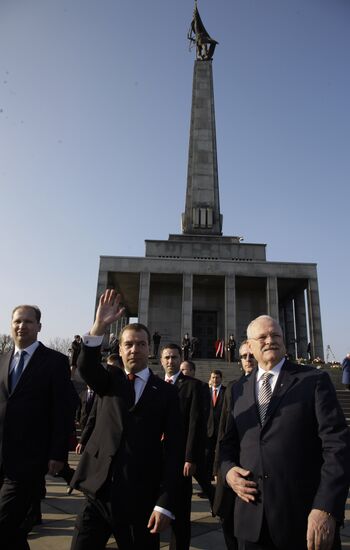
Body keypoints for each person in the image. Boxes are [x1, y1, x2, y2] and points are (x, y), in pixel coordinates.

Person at [220, 315, 350, 550]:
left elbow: (338, 447)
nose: (270, 340)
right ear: (249, 345)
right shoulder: (237, 389)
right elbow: (227, 445)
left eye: (276, 335)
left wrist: (326, 507)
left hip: (304, 520)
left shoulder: (314, 380)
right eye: (262, 337)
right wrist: (228, 472)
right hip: (251, 523)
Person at [70, 289, 183, 550]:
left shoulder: (166, 392)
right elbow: (86, 367)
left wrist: (164, 502)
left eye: (141, 344)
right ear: (119, 349)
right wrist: (99, 325)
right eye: (129, 344)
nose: (135, 350)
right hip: (98, 493)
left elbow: (175, 449)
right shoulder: (110, 380)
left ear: (149, 349)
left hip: (140, 498)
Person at [0, 304, 73, 549]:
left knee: (4, 521)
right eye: (17, 321)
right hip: (1, 454)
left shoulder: (55, 361)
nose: (22, 326)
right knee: (14, 531)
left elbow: (63, 411)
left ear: (39, 327)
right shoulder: (2, 359)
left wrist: (58, 453)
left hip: (29, 458)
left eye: (28, 322)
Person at [213, 341, 257, 550]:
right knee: (228, 521)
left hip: (255, 471)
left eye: (251, 355)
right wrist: (218, 468)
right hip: (232, 467)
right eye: (244, 356)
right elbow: (224, 432)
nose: (248, 360)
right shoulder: (233, 388)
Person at [160, 344, 205, 550]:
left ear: (181, 359)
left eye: (174, 357)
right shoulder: (154, 385)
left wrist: (190, 457)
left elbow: (196, 424)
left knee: (180, 512)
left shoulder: (193, 386)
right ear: (161, 361)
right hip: (155, 457)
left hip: (179, 459)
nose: (171, 361)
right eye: (167, 357)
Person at [206, 370, 225, 481]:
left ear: (221, 378)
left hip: (220, 429)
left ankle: (218, 477)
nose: (215, 380)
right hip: (208, 430)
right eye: (213, 377)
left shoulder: (225, 391)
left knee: (219, 454)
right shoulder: (205, 392)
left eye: (217, 377)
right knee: (208, 455)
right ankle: (208, 481)